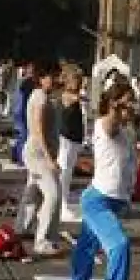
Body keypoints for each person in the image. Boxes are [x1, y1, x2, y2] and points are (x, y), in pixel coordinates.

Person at [69, 80, 139, 280]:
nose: (131, 108)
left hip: (115, 200)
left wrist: (129, 197)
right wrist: (117, 105)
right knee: (120, 246)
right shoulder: (104, 125)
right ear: (114, 104)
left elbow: (127, 168)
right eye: (127, 103)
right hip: (97, 200)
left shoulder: (127, 133)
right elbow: (111, 122)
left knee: (88, 242)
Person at [15, 60, 61, 258]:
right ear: (41, 78)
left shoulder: (43, 96)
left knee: (33, 193)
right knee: (53, 194)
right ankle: (43, 241)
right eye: (52, 76)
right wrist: (50, 158)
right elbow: (38, 130)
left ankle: (21, 227)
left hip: (37, 152)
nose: (55, 80)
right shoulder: (40, 97)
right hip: (38, 153)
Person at [55, 68, 87, 223]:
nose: (79, 83)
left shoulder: (73, 96)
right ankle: (61, 205)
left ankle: (63, 203)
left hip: (73, 138)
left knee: (68, 172)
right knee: (64, 171)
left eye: (80, 80)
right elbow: (72, 99)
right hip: (66, 138)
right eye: (76, 79)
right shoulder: (66, 96)